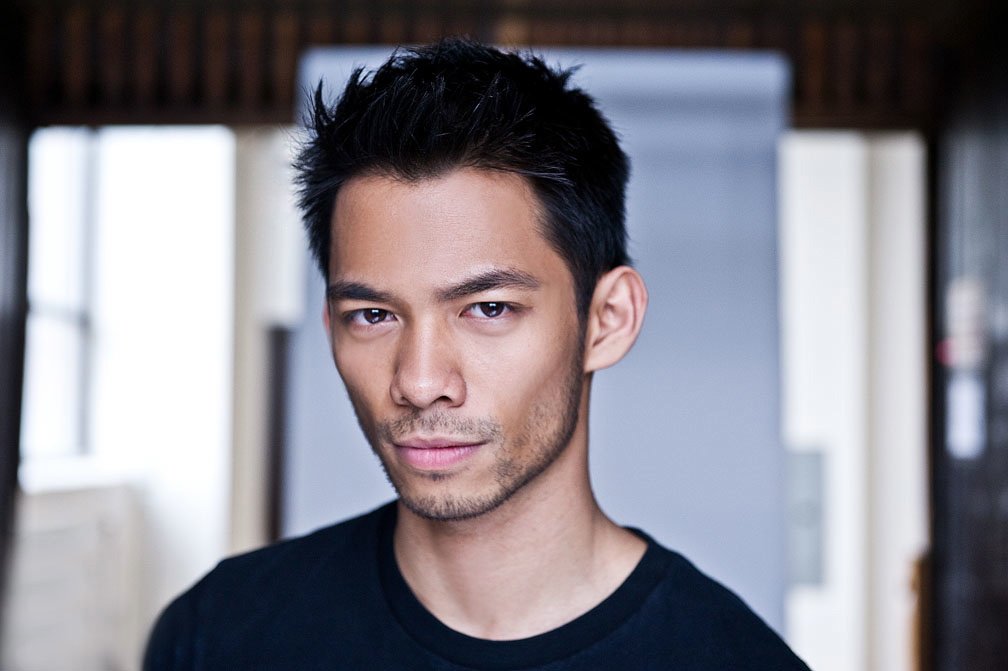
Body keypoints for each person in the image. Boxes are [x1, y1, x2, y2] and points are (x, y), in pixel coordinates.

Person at [144, 37, 810, 670]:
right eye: (373, 315)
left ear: (607, 320)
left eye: (488, 309)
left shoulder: (732, 659)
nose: (420, 381)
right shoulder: (219, 633)